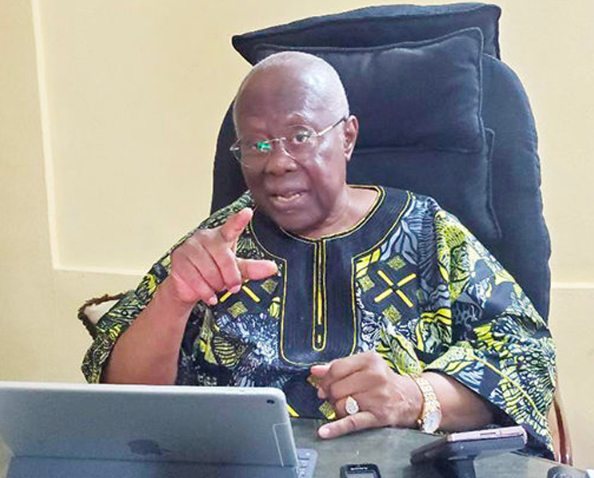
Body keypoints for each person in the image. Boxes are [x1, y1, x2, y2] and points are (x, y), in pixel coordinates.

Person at [82, 52, 556, 458]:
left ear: (347, 136)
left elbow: (529, 359)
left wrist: (413, 396)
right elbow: (122, 402)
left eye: (300, 136)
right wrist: (173, 299)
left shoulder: (426, 231)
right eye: (257, 144)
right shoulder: (219, 241)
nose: (277, 162)